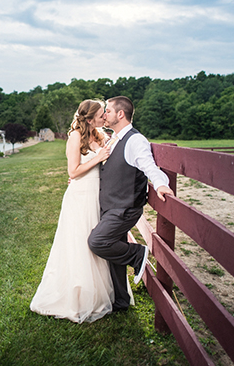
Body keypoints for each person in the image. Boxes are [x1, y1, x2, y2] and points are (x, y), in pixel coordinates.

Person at [30, 99, 118, 323]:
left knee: (95, 242)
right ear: (89, 119)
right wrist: (97, 158)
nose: (104, 117)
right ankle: (76, 297)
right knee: (79, 244)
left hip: (97, 196)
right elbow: (73, 171)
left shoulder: (100, 136)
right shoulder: (75, 137)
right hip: (80, 197)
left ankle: (97, 293)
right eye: (100, 114)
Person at [88, 96, 174, 312]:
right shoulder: (115, 138)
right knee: (113, 256)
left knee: (98, 242)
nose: (104, 114)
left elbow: (149, 166)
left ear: (120, 114)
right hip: (112, 206)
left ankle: (137, 255)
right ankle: (121, 301)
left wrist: (161, 184)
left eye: (107, 111)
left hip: (124, 208)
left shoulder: (135, 141)